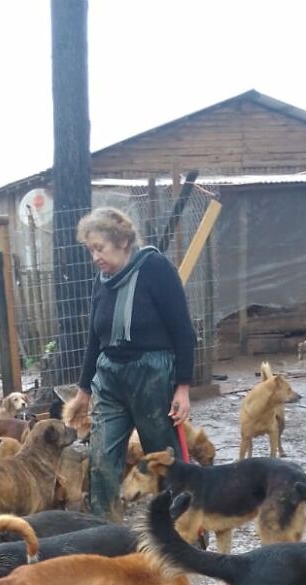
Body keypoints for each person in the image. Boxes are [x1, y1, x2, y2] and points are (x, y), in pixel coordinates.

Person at [69, 206, 197, 521]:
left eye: (99, 248)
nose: (95, 257)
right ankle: (107, 534)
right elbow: (94, 339)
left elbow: (183, 331)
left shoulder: (155, 269)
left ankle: (182, 531)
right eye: (90, 250)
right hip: (110, 377)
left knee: (163, 459)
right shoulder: (102, 281)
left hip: (153, 375)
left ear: (123, 241)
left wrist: (182, 387)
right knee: (101, 460)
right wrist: (83, 393)